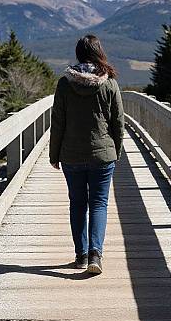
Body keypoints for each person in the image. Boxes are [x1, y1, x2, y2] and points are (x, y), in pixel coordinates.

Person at [49, 34, 124, 274]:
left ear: (79, 54)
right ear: (98, 52)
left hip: (71, 155)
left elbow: (58, 122)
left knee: (77, 204)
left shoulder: (64, 83)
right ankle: (95, 255)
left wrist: (54, 154)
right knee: (99, 204)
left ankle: (80, 255)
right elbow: (118, 122)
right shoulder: (109, 83)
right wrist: (116, 151)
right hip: (103, 156)